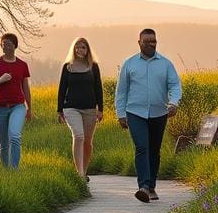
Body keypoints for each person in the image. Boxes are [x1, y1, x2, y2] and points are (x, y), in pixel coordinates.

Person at [115, 28, 182, 202]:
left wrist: (174, 102)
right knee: (142, 147)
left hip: (159, 113)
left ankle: (151, 186)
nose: (152, 44)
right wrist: (120, 114)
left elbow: (175, 85)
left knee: (154, 150)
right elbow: (121, 91)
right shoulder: (129, 64)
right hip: (135, 112)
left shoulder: (166, 64)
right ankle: (143, 186)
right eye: (147, 42)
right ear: (139, 43)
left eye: (154, 41)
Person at [56, 37, 103, 180]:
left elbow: (98, 88)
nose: (80, 50)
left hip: (89, 108)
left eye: (83, 47)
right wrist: (59, 110)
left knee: (88, 141)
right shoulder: (67, 67)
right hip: (71, 107)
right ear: (73, 49)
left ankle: (84, 169)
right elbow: (62, 89)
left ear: (87, 50)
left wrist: (100, 109)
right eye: (77, 47)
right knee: (79, 135)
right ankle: (80, 174)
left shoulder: (93, 66)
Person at [0, 32, 33, 168]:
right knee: (4, 144)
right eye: (3, 44)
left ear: (15, 45)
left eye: (8, 44)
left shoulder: (22, 65)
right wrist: (1, 80)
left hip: (17, 106)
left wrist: (29, 108)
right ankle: (6, 172)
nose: (5, 47)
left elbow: (25, 88)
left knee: (15, 137)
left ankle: (15, 169)